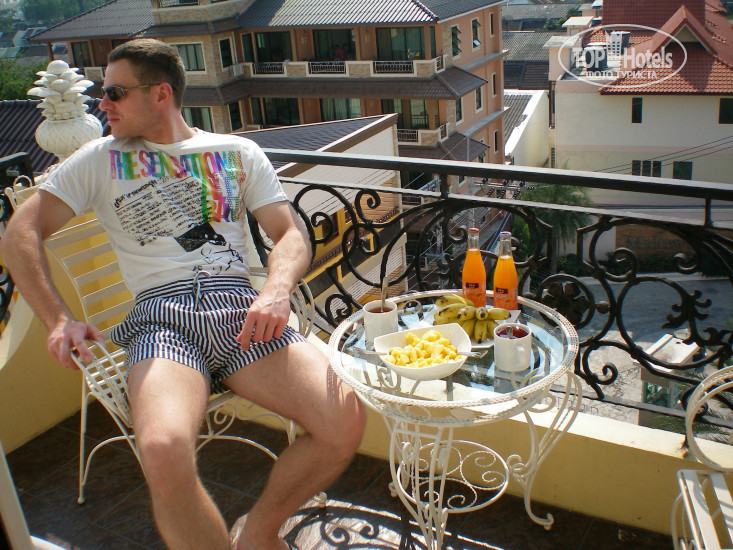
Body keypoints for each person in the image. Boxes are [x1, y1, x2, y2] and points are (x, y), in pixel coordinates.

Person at [0, 39, 365, 550]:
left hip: (240, 312)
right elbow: (20, 232)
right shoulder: (98, 159)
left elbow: (290, 234)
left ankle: (258, 534)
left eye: (115, 93)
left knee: (344, 420)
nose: (102, 104)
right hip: (162, 320)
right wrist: (59, 319)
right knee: (162, 449)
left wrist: (276, 290)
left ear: (160, 94)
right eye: (103, 92)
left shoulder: (237, 152)